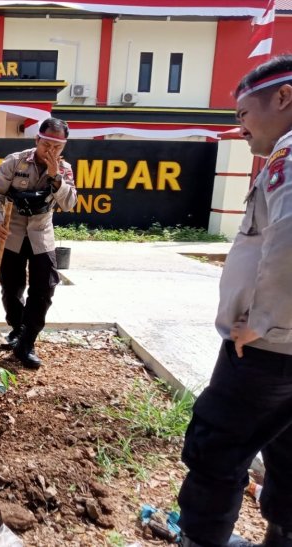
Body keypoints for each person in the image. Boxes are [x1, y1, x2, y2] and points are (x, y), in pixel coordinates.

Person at [177, 55, 292, 547]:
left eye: (243, 113)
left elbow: (288, 241)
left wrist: (262, 322)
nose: (239, 126)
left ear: (283, 98)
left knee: (216, 447)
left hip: (269, 352)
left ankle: (200, 540)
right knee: (288, 450)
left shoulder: (289, 157)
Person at [0, 117, 77, 369]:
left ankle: (27, 341)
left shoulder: (64, 169)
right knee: (11, 288)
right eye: (46, 144)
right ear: (37, 139)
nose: (51, 151)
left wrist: (56, 178)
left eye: (57, 147)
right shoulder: (14, 162)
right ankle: (17, 328)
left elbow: (69, 204)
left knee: (45, 288)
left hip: (42, 235)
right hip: (12, 234)